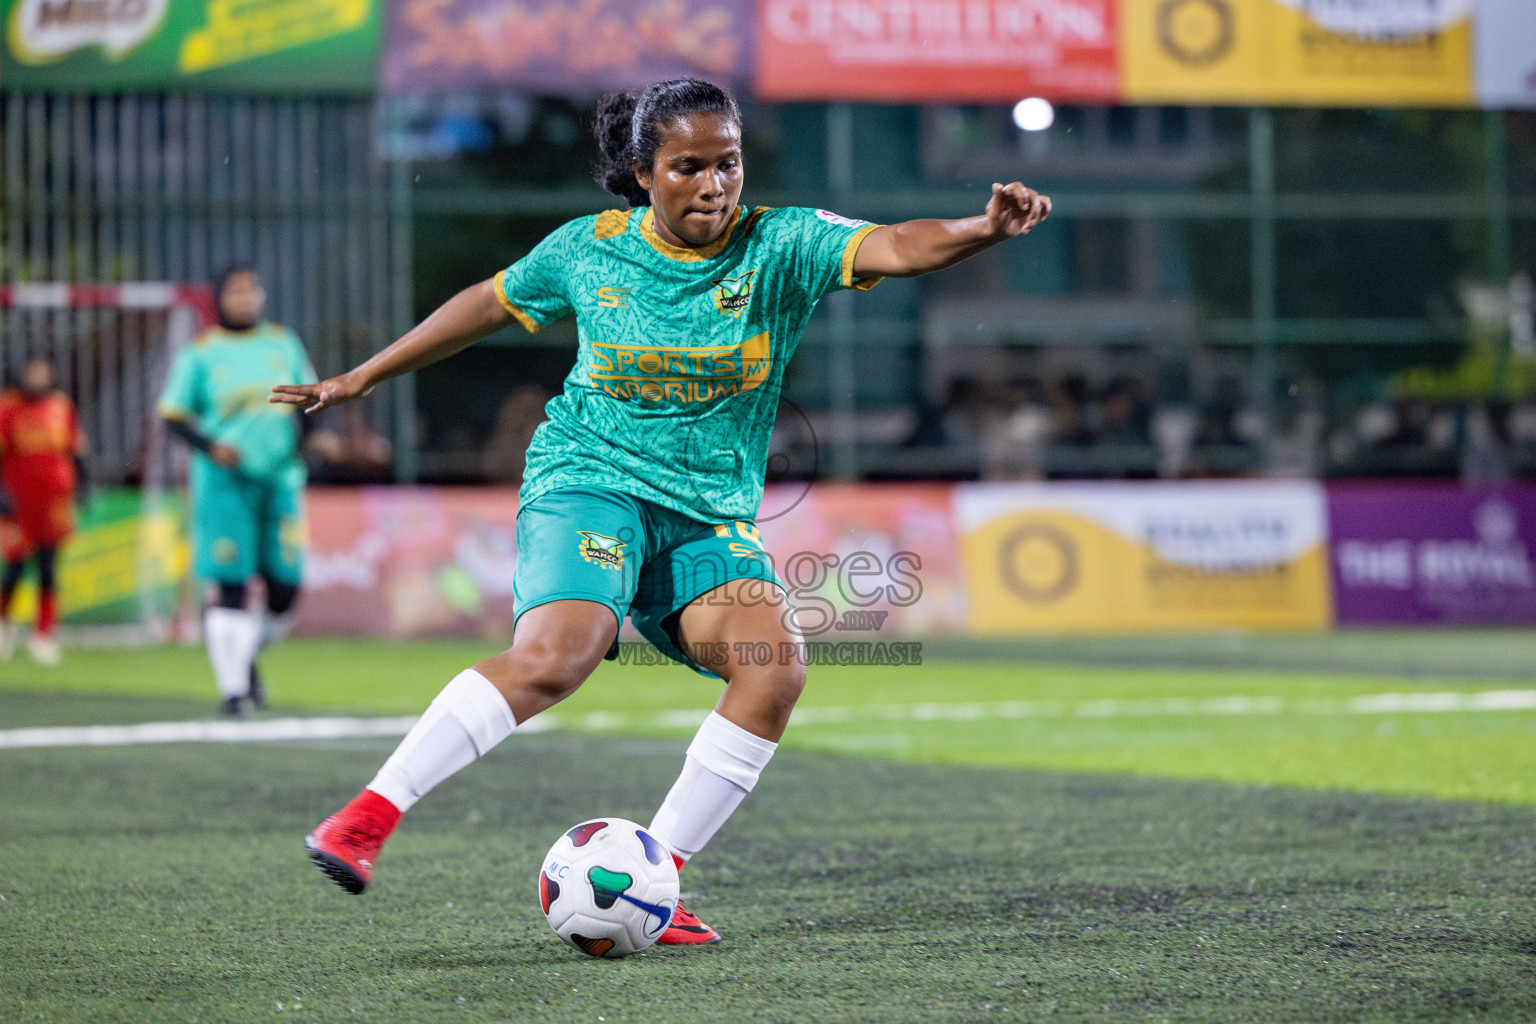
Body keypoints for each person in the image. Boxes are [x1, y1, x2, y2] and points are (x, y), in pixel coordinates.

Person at [274, 78, 1050, 945]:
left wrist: (981, 230)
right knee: (559, 659)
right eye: (689, 167)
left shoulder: (781, 243)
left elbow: (897, 246)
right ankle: (367, 818)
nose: (715, 185)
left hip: (707, 518)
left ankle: (655, 883)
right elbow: (490, 303)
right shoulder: (588, 249)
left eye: (729, 164)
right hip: (589, 479)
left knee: (774, 666)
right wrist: (362, 377)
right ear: (644, 172)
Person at [159, 265, 317, 717]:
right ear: (219, 298)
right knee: (231, 586)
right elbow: (172, 415)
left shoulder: (283, 342)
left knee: (285, 588)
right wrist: (211, 447)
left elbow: (311, 401)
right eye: (236, 290)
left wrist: (309, 444)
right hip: (224, 485)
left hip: (281, 479)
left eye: (253, 288)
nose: (246, 297)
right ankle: (233, 691)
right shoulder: (203, 352)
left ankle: (244, 659)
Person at [0, 354, 89, 665]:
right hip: (18, 501)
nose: (39, 377)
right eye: (33, 371)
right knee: (14, 567)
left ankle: (44, 634)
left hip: (53, 502)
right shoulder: (7, 407)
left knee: (49, 568)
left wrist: (83, 487)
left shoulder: (61, 406)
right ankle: (4, 625)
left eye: (44, 372)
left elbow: (75, 450)